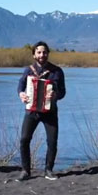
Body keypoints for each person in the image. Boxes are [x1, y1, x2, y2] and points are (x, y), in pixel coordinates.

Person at [15, 41, 66, 181]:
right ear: (34, 54)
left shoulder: (57, 71)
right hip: (32, 111)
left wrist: (55, 95)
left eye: (44, 52)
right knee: (24, 139)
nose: (42, 55)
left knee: (52, 141)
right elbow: (20, 85)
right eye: (39, 52)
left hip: (50, 111)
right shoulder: (28, 71)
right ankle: (26, 170)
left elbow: (63, 92)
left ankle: (48, 170)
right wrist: (21, 94)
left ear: (48, 54)